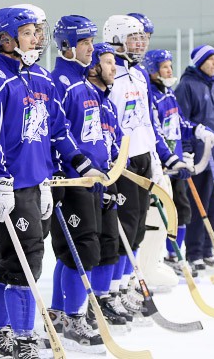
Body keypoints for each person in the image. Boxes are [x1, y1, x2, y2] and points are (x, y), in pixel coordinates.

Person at [0, 7, 105, 359]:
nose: (37, 39)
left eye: (38, 32)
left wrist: (82, 163)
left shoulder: (41, 78)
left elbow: (59, 130)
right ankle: (25, 338)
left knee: (7, 261)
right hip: (7, 187)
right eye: (29, 32)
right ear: (6, 38)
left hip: (38, 184)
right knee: (25, 263)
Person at [48, 14, 107, 353]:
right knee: (80, 251)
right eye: (84, 42)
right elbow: (58, 133)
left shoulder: (84, 82)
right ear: (67, 46)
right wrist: (67, 172)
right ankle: (73, 318)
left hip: (89, 178)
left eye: (90, 42)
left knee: (74, 251)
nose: (91, 48)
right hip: (71, 180)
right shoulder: (62, 82)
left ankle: (58, 313)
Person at [102, 14, 160, 319]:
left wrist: (155, 157)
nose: (140, 43)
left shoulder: (139, 76)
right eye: (133, 38)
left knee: (137, 227)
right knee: (121, 227)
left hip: (141, 158)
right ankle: (111, 291)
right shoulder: (112, 77)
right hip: (121, 162)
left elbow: (146, 120)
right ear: (116, 39)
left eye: (143, 38)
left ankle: (125, 287)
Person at [142, 48, 214, 281]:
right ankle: (155, 258)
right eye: (164, 67)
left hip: (176, 165)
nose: (169, 70)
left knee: (181, 211)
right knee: (159, 214)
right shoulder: (151, 96)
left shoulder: (169, 94)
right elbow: (155, 132)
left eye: (170, 66)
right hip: (160, 166)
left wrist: (197, 130)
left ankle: (174, 255)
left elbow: (179, 122)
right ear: (153, 70)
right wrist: (170, 157)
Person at [84, 42, 132, 329]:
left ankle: (102, 299)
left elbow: (115, 141)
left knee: (109, 243)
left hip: (109, 178)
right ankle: (78, 309)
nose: (115, 68)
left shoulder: (109, 103)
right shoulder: (82, 95)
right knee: (87, 248)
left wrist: (117, 161)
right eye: (108, 62)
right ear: (93, 66)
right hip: (87, 181)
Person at [174, 44, 214, 273]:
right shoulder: (187, 86)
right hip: (200, 159)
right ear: (200, 62)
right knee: (198, 207)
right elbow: (181, 120)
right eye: (210, 59)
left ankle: (207, 250)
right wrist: (186, 152)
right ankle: (194, 253)